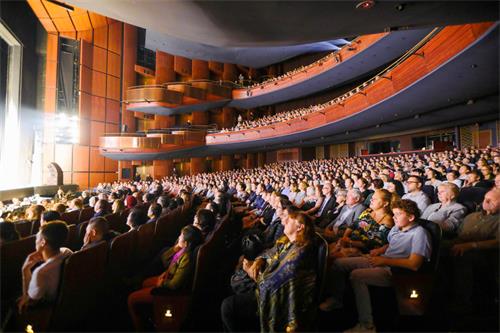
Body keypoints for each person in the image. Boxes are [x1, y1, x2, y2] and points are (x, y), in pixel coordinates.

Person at [320, 200, 431, 333]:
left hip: (395, 271)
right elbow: (390, 244)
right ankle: (337, 299)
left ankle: (367, 325)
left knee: (356, 276)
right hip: (383, 260)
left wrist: (384, 261)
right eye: (394, 214)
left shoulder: (420, 233)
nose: (394, 217)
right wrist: (380, 251)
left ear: (411, 217)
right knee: (338, 264)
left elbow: (414, 264)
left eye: (398, 214)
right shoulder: (398, 227)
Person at [221, 211, 318, 332]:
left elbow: (272, 285)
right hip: (266, 287)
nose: (284, 222)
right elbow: (271, 253)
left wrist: (252, 273)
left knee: (227, 306)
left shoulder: (300, 254)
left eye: (289, 220)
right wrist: (258, 261)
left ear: (300, 227)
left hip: (277, 300)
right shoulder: (288, 242)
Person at [127, 225, 203, 331]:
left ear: (186, 243)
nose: (179, 237)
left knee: (131, 298)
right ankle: (148, 312)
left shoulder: (187, 258)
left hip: (167, 290)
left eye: (181, 236)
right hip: (166, 278)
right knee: (144, 283)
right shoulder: (181, 251)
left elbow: (174, 285)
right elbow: (164, 258)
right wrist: (175, 248)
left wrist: (161, 283)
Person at [447, 188, 499, 312]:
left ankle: (463, 304)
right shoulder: (472, 216)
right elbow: (459, 236)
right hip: (460, 246)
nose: (485, 202)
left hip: (486, 254)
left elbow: (498, 242)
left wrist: (471, 245)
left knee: (464, 258)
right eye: (485, 199)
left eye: (491, 200)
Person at [17, 221, 73, 313]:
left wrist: (25, 270)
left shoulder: (41, 272)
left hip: (49, 310)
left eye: (37, 238)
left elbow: (29, 301)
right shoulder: (67, 251)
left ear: (43, 242)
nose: (35, 241)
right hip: (66, 300)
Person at [330, 189, 395, 258]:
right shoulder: (368, 211)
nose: (371, 200)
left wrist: (349, 242)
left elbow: (373, 244)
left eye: (374, 199)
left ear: (385, 203)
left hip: (362, 251)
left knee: (332, 256)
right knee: (327, 249)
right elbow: (354, 224)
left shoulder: (387, 221)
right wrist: (344, 237)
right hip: (349, 241)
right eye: (371, 198)